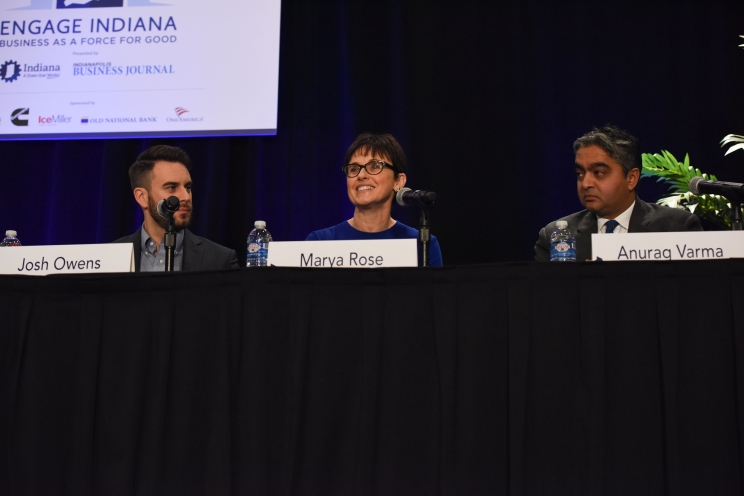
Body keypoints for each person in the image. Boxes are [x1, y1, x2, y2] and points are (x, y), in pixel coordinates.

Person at [535, 125, 702, 261]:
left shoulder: (677, 229)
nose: (585, 183)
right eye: (580, 174)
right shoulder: (555, 237)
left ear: (631, 178)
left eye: (599, 172)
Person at [306, 133, 443, 266]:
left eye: (375, 166)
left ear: (398, 181)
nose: (361, 175)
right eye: (354, 169)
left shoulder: (422, 244)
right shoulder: (320, 243)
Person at [115, 145, 239, 271]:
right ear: (142, 197)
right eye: (171, 187)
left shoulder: (220, 260)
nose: (186, 197)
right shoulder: (110, 256)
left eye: (188, 188)